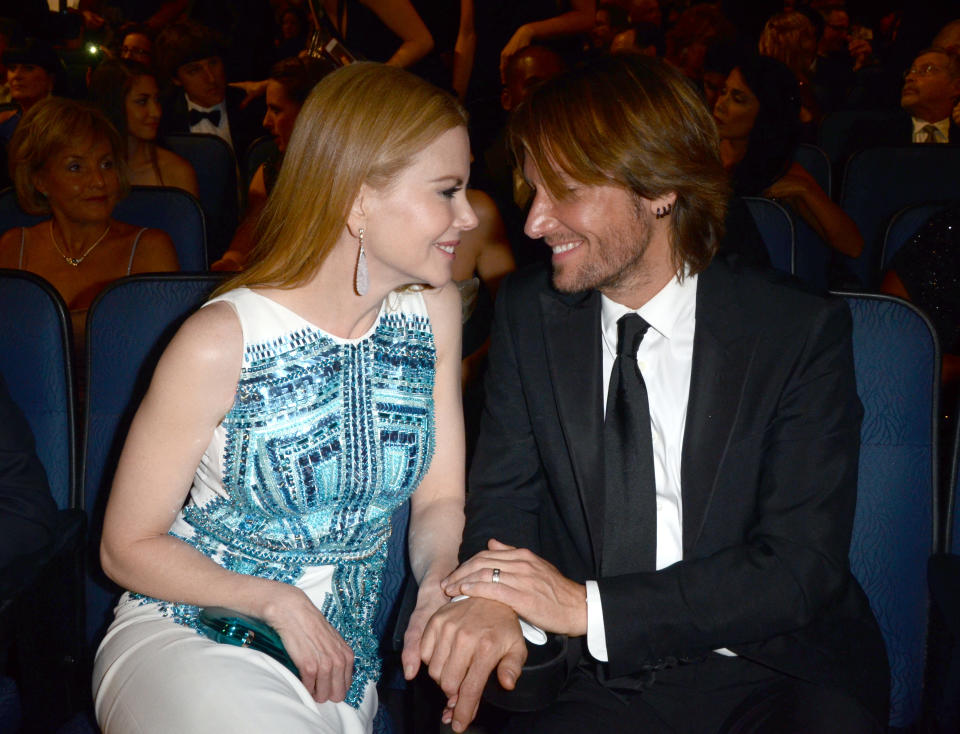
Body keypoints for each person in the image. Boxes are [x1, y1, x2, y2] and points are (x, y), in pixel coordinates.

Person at [415, 54, 888, 734]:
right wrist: (493, 599)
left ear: (661, 189)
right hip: (596, 680)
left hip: (773, 670)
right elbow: (506, 498)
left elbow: (798, 566)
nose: (535, 223)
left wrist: (590, 608)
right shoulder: (530, 312)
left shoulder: (794, 331)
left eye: (566, 192)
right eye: (532, 190)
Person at [92, 61, 477, 733]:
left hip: (339, 659)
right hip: (192, 628)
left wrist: (437, 578)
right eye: (447, 190)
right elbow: (125, 547)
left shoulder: (434, 313)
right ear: (358, 197)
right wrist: (273, 601)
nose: (468, 215)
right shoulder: (219, 340)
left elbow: (440, 498)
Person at [0, 97, 178, 350]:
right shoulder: (15, 246)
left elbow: (158, 349)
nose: (99, 181)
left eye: (106, 164)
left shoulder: (150, 248)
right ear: (40, 180)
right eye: (76, 167)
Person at [713, 54, 863, 258]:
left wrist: (805, 190)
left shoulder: (778, 170)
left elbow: (853, 247)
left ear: (766, 112)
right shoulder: (693, 151)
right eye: (723, 92)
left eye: (737, 98)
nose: (720, 104)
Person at [212, 55, 333, 271]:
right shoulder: (268, 174)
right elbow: (245, 241)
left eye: (276, 110)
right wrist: (230, 260)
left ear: (310, 113)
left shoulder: (362, 176)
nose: (266, 122)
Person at [154, 20, 266, 157]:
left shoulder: (251, 105)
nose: (211, 78)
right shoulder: (164, 117)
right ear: (176, 79)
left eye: (213, 63)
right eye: (194, 70)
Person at [88, 59, 199, 196]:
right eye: (142, 102)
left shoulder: (176, 172)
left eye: (157, 100)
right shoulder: (87, 170)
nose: (156, 112)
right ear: (113, 105)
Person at [847, 47, 960, 148]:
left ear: (956, 87)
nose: (910, 78)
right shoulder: (872, 134)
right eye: (911, 71)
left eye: (926, 70)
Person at [0, 38, 60, 146]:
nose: (16, 76)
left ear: (50, 79)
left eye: (28, 68)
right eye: (12, 69)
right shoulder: (5, 121)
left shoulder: (64, 123)